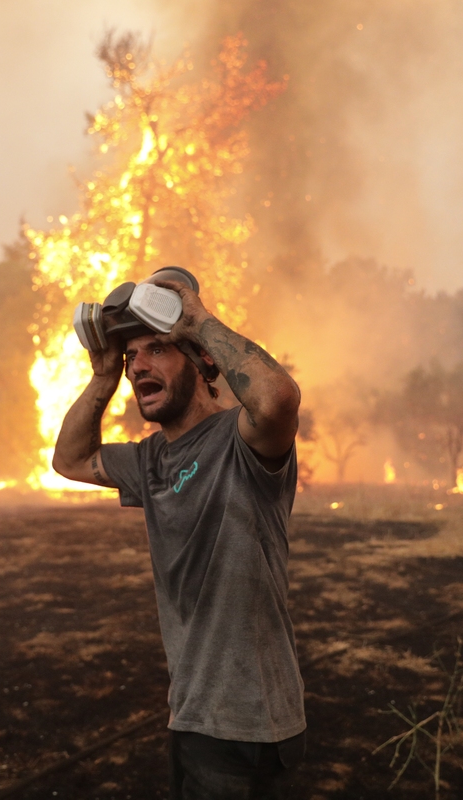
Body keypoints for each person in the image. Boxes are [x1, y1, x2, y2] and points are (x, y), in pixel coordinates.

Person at [53, 275, 306, 798]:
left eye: (158, 349)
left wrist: (197, 320)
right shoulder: (149, 461)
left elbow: (279, 398)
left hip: (250, 727)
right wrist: (101, 379)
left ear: (204, 362)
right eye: (130, 358)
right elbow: (70, 460)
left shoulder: (243, 440)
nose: (138, 366)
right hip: (192, 717)